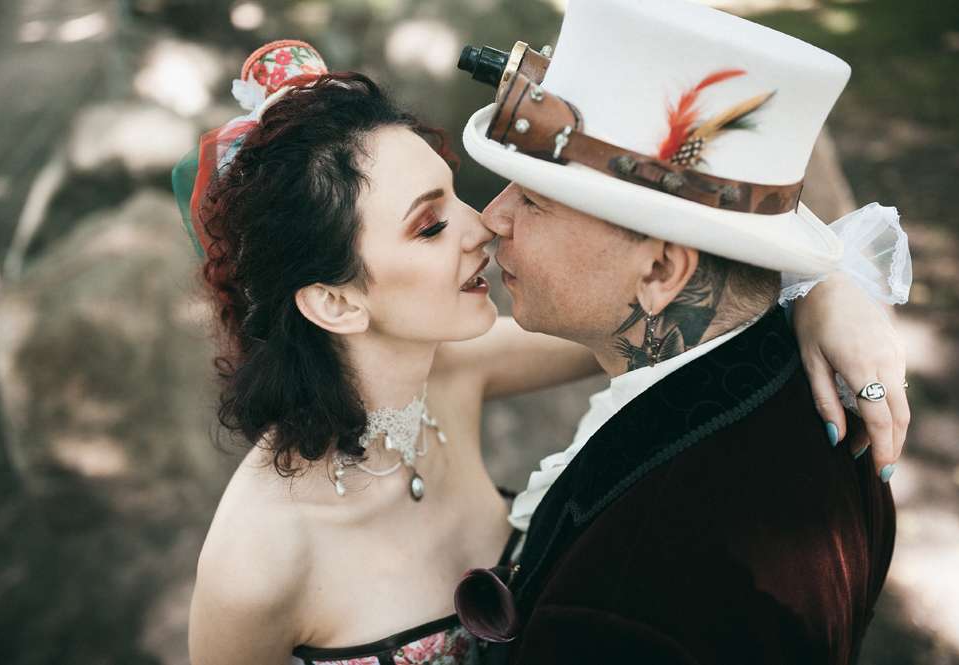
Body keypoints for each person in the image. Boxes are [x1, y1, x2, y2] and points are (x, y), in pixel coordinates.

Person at [172, 38, 909, 665]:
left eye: (456, 194)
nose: (482, 225)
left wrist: (825, 285)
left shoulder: (456, 371)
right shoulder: (258, 559)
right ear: (335, 301)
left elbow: (684, 312)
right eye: (430, 227)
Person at [452, 0, 909, 663]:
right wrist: (820, 286)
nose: (492, 219)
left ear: (662, 270)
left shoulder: (634, 598)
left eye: (535, 200)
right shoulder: (793, 380)